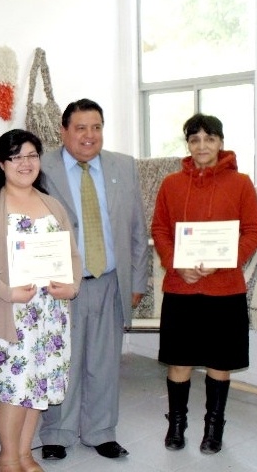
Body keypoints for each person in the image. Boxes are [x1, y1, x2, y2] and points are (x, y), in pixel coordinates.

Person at [0, 129, 81, 472]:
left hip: (50, 314)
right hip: (8, 312)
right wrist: (7, 291)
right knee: (14, 388)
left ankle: (26, 453)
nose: (25, 163)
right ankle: (7, 458)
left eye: (32, 155)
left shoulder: (51, 203)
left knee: (38, 386)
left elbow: (72, 254)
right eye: (17, 157)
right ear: (2, 163)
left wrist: (70, 287)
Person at [39, 98, 149, 460]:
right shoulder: (42, 168)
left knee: (104, 362)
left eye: (96, 127)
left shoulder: (123, 166)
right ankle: (57, 431)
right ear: (64, 131)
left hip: (110, 280)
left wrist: (136, 282)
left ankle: (101, 431)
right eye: (81, 128)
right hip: (62, 284)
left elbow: (136, 229)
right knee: (63, 359)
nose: (90, 136)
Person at [151, 113, 257, 454]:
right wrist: (176, 264)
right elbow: (159, 230)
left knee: (219, 362)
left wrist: (221, 262)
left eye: (209, 139)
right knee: (179, 361)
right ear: (188, 144)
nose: (202, 146)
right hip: (181, 288)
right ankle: (177, 425)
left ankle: (214, 428)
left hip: (225, 289)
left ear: (220, 142)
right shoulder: (171, 183)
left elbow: (254, 232)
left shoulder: (241, 183)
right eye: (195, 139)